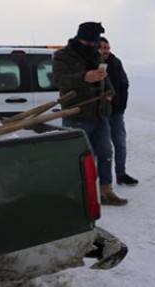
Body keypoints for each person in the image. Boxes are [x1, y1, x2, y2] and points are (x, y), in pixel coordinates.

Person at [53, 22, 128, 206]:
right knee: (80, 158)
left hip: (99, 114)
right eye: (88, 43)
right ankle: (81, 195)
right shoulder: (63, 56)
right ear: (79, 38)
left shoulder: (96, 54)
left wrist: (109, 92)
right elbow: (59, 80)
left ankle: (106, 191)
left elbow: (105, 77)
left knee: (105, 152)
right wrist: (83, 77)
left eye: (94, 43)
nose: (92, 46)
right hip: (77, 115)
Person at [99, 37, 139, 186]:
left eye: (108, 48)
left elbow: (124, 83)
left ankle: (121, 174)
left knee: (120, 145)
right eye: (103, 48)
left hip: (116, 113)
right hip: (101, 115)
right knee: (104, 149)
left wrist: (121, 106)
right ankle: (103, 180)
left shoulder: (115, 62)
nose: (106, 51)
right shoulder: (93, 63)